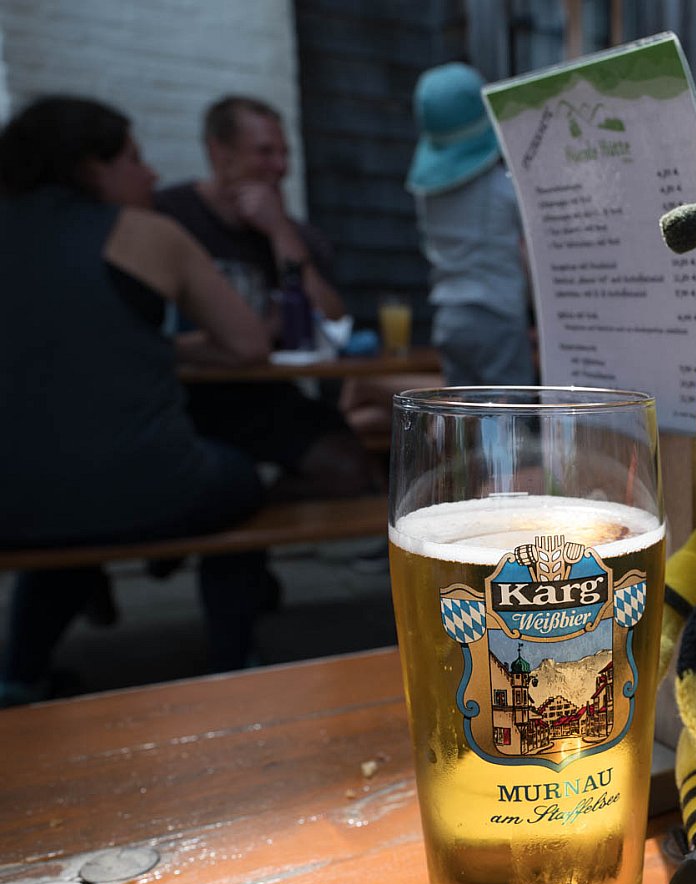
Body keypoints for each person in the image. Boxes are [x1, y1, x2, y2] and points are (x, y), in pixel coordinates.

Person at [0, 97, 276, 704]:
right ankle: (234, 662)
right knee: (241, 480)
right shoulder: (147, 234)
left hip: (11, 508)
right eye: (133, 157)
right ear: (90, 167)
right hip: (144, 488)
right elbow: (248, 344)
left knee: (58, 494)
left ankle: (18, 674)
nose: (150, 174)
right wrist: (158, 347)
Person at [154, 95, 374, 499]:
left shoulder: (294, 234)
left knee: (351, 468)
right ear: (219, 153)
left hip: (263, 398)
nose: (280, 166)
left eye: (284, 153)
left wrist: (278, 231)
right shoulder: (168, 215)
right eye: (264, 152)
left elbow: (334, 323)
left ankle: (251, 514)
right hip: (181, 402)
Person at [407, 63, 535, 386]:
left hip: (449, 316)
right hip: (496, 315)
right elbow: (530, 252)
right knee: (509, 411)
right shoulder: (502, 187)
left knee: (460, 409)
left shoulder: (428, 195)